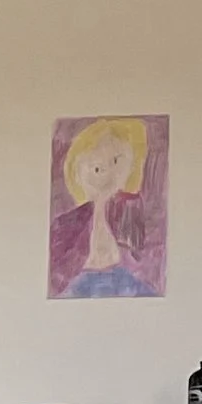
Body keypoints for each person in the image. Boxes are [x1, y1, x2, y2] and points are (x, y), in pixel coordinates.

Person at [49, 116, 160, 298]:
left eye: (116, 162)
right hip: (81, 285)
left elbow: (145, 259)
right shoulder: (66, 225)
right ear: (77, 174)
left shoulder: (132, 210)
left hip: (126, 283)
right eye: (97, 169)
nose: (107, 175)